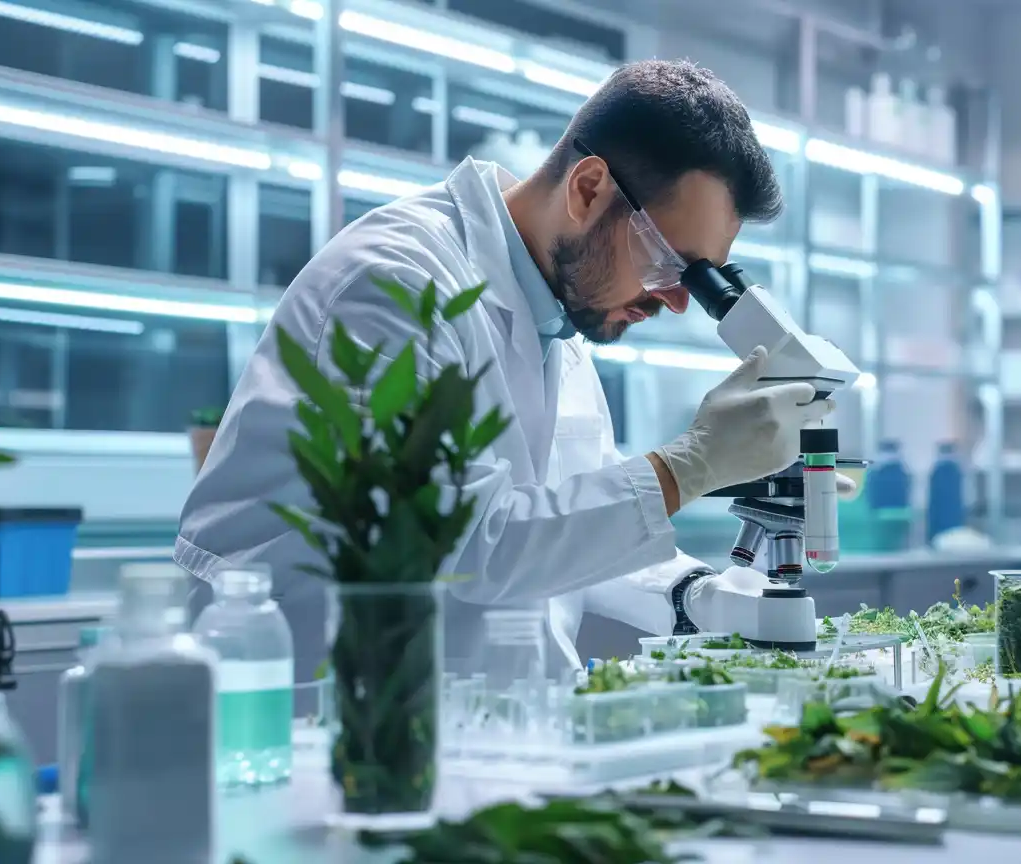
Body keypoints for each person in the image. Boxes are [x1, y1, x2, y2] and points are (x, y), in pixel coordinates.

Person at [177, 59, 848, 677]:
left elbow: (564, 528)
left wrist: (693, 595)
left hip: (491, 734)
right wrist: (690, 466)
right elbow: (459, 545)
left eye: (703, 277)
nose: (677, 302)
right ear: (588, 189)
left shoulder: (560, 315)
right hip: (329, 723)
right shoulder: (395, 286)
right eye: (672, 265)